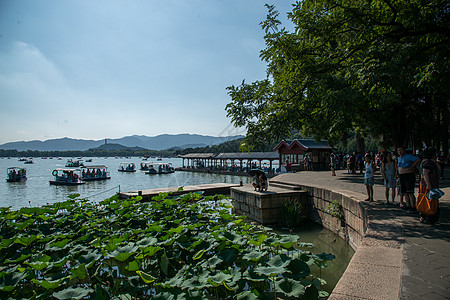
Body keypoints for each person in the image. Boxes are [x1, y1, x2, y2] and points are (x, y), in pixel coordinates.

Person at [419, 148, 441, 224]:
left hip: (430, 184)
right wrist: (428, 184)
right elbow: (425, 174)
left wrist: (436, 163)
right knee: (428, 200)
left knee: (428, 199)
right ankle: (427, 216)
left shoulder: (428, 162)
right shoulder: (427, 163)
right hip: (428, 185)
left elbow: (439, 169)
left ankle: (425, 216)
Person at [397, 146, 421, 213]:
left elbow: (418, 160)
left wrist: (412, 166)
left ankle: (413, 206)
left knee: (410, 191)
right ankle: (408, 205)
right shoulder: (399, 158)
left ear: (404, 150)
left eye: (401, 150)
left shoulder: (408, 156)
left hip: (408, 175)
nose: (400, 152)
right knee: (404, 192)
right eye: (398, 150)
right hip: (402, 175)